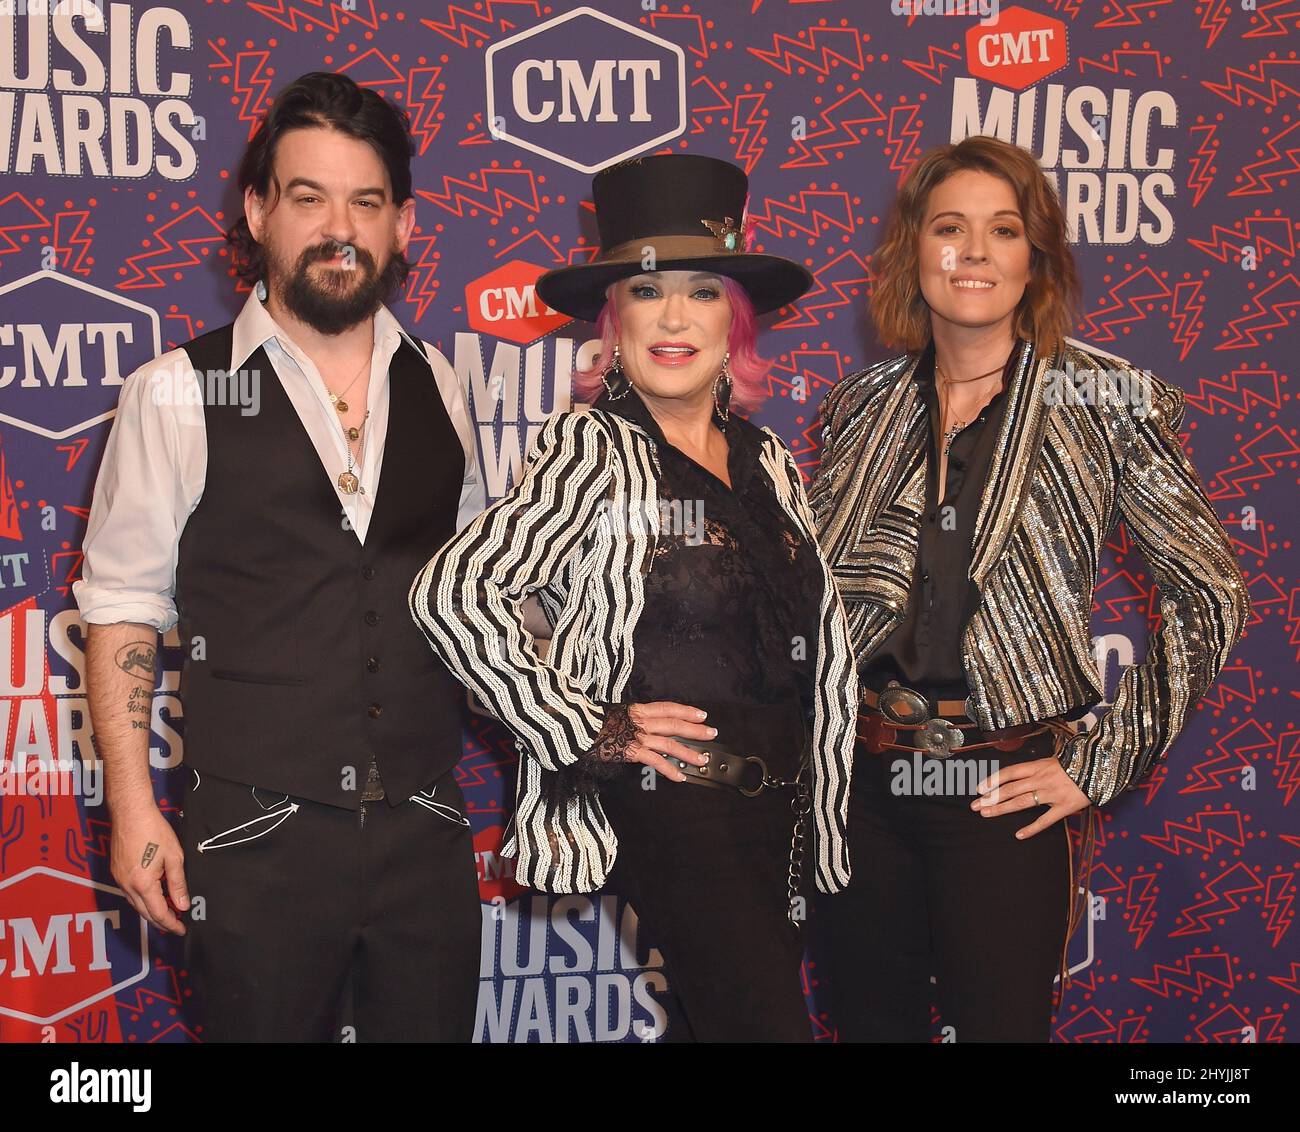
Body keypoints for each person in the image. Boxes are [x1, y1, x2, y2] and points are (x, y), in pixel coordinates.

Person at [809, 135, 1251, 1043]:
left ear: (1035, 257)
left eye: (1003, 230)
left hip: (998, 790)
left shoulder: (1105, 397)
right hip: (858, 783)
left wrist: (1099, 762)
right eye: (949, 228)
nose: (974, 252)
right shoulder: (861, 407)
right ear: (913, 251)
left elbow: (1210, 589)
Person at [409, 153, 858, 1042]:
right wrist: (594, 727)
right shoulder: (593, 450)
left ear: (734, 317)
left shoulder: (766, 458)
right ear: (615, 320)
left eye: (701, 291)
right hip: (681, 814)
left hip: (783, 819)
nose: (675, 317)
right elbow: (453, 594)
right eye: (649, 293)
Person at [75, 72, 485, 1042]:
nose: (337, 226)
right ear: (258, 210)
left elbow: (473, 601)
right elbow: (124, 606)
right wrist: (134, 811)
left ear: (405, 224)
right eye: (308, 197)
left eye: (366, 201)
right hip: (254, 835)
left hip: (424, 826)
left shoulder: (441, 383)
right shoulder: (175, 390)